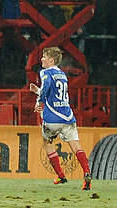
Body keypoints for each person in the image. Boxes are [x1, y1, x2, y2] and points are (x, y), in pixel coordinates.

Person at [31, 46, 90, 190]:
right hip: (68, 116)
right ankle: (87, 173)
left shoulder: (45, 72)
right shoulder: (62, 75)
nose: (41, 59)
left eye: (44, 57)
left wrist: (39, 102)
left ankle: (61, 175)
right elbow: (55, 93)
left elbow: (47, 88)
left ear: (51, 60)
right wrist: (37, 91)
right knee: (76, 146)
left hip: (53, 118)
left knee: (47, 142)